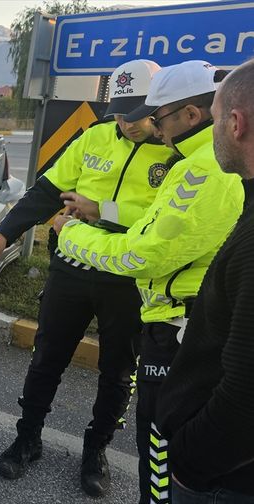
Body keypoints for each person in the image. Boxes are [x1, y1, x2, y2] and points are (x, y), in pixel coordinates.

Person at [0, 59, 171, 497]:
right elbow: (46, 191)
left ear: (159, 107)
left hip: (128, 280)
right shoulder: (96, 136)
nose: (126, 123)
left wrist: (105, 212)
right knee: (47, 358)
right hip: (73, 272)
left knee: (118, 372)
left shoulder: (177, 152)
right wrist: (4, 235)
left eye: (136, 114)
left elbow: (166, 222)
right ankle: (27, 439)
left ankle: (95, 449)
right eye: (119, 112)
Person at [52, 60, 243, 504]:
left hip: (179, 326)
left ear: (192, 116)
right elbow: (156, 227)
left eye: (158, 118)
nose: (154, 128)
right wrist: (104, 212)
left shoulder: (202, 169)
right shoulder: (193, 161)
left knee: (157, 446)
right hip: (185, 320)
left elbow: (144, 253)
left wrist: (71, 235)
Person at [156, 59, 254, 503]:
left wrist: (189, 465)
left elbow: (244, 393)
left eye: (213, 119)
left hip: (219, 478)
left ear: (235, 123)